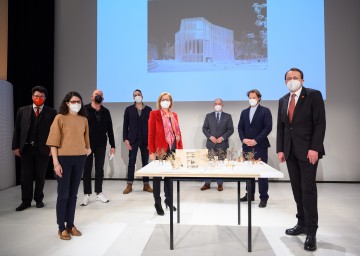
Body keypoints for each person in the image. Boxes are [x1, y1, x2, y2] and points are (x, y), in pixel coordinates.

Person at [277, 67, 326, 251]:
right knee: (297, 189)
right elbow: (282, 127)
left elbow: (320, 123)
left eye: (295, 77)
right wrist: (280, 149)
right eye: (289, 78)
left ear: (302, 80)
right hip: (290, 152)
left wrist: (314, 148)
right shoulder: (283, 100)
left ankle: (311, 232)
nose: (292, 80)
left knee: (308, 190)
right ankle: (302, 223)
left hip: (308, 152)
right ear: (285, 82)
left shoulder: (313, 95)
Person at [46, 91, 91, 240]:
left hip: (79, 159)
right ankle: (61, 227)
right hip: (63, 160)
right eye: (73, 101)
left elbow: (86, 140)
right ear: (67, 103)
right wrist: (55, 163)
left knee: (73, 195)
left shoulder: (83, 119)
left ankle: (71, 224)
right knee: (63, 195)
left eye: (78, 101)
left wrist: (86, 150)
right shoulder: (60, 118)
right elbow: (53, 142)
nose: (76, 104)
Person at [12, 86, 57, 211]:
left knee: (40, 176)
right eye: (36, 96)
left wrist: (52, 149)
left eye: (41, 96)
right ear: (32, 97)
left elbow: (55, 132)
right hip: (26, 149)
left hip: (43, 149)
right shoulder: (22, 110)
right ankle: (25, 201)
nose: (38, 98)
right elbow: (17, 130)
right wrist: (15, 146)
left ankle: (39, 200)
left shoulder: (52, 112)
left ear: (45, 98)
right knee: (25, 177)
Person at [148, 92, 183, 215]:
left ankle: (168, 201)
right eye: (163, 99)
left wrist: (180, 151)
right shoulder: (154, 114)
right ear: (159, 101)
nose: (165, 101)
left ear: (171, 102)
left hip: (172, 149)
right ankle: (157, 203)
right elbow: (151, 134)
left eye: (168, 100)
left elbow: (178, 134)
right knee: (157, 178)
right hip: (159, 151)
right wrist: (151, 151)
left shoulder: (174, 115)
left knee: (169, 177)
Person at [238, 89, 272, 208]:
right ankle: (249, 194)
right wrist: (243, 139)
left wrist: (256, 140)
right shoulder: (244, 112)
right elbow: (240, 128)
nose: (251, 99)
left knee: (261, 173)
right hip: (246, 146)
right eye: (250, 97)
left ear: (259, 98)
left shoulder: (265, 111)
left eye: (254, 97)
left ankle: (263, 197)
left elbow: (268, 128)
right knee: (248, 172)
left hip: (260, 146)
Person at [81, 89, 116, 206]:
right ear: (91, 97)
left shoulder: (106, 111)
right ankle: (86, 194)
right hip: (87, 145)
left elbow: (110, 129)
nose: (99, 96)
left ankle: (99, 193)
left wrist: (113, 145)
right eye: (97, 95)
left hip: (101, 144)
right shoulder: (85, 109)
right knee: (87, 169)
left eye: (101, 95)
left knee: (99, 169)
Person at [122, 89, 153, 194]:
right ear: (133, 97)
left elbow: (152, 126)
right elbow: (125, 126)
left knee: (145, 162)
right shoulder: (129, 109)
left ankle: (146, 184)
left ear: (142, 96)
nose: (137, 96)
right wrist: (125, 139)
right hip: (133, 140)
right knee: (131, 162)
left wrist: (151, 141)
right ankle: (129, 185)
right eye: (135, 95)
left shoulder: (149, 109)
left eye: (139, 94)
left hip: (145, 140)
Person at [201, 98, 234, 191]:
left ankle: (220, 184)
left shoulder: (228, 116)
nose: (217, 105)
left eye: (219, 103)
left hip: (222, 144)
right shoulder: (208, 116)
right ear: (213, 105)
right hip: (211, 144)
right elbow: (204, 128)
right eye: (215, 103)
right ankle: (207, 183)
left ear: (222, 105)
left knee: (221, 165)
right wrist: (210, 137)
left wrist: (222, 138)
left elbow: (231, 129)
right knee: (209, 165)